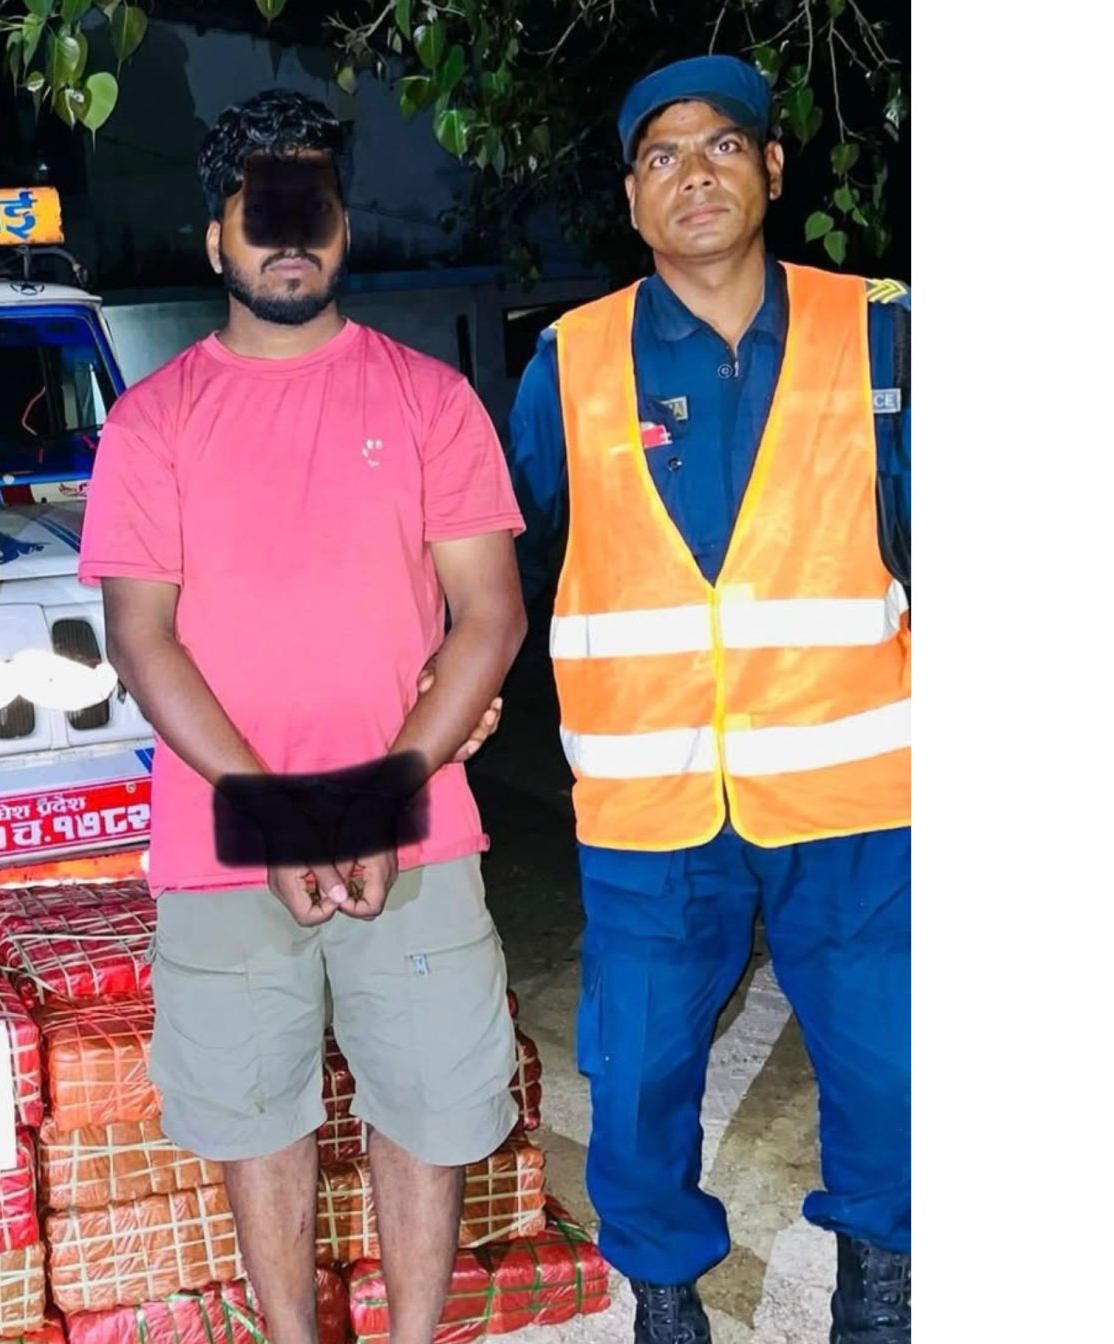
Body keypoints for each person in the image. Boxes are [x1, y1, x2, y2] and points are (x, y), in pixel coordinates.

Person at [76, 89, 530, 1344]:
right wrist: (279, 817)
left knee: (428, 1108)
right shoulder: (154, 420)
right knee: (253, 1116)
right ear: (214, 237)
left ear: (340, 229)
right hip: (223, 839)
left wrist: (378, 796)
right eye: (260, 212)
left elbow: (489, 615)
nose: (288, 237)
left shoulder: (430, 399)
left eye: (310, 209)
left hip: (415, 826)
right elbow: (141, 636)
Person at [503, 54, 912, 1344]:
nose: (696, 173)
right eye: (663, 154)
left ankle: (880, 1283)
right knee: (635, 1075)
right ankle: (664, 1290)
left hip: (857, 791)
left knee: (890, 1064)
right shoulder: (567, 361)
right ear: (632, 196)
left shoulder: (885, 332)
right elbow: (498, 562)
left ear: (772, 169)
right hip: (649, 799)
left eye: (723, 145)